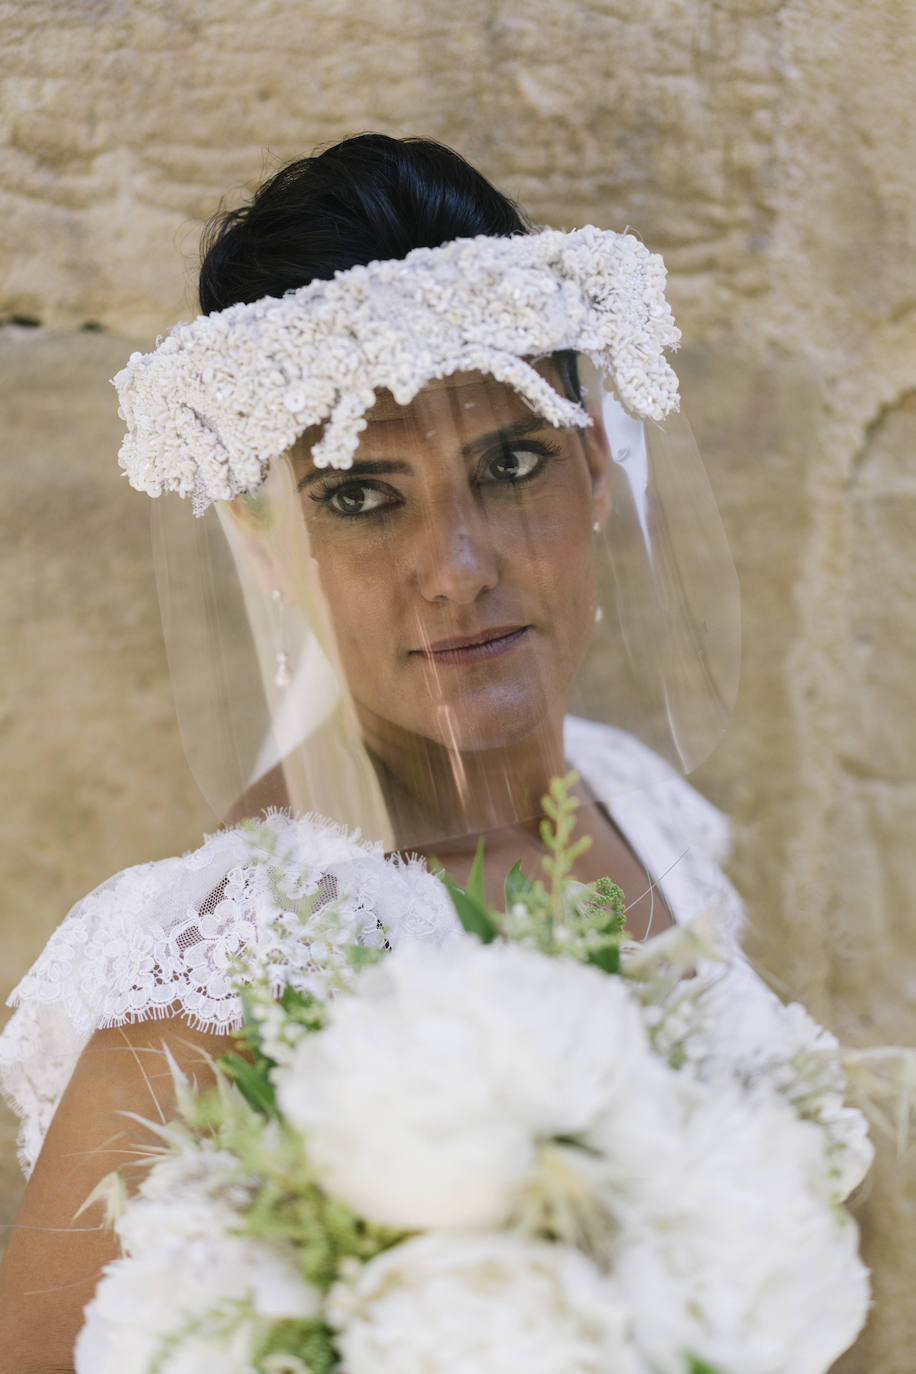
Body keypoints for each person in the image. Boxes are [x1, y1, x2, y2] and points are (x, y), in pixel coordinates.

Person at [0, 134, 744, 1371]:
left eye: (510, 464)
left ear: (598, 467)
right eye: (359, 496)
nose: (456, 568)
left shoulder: (636, 801)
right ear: (257, 540)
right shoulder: (210, 977)